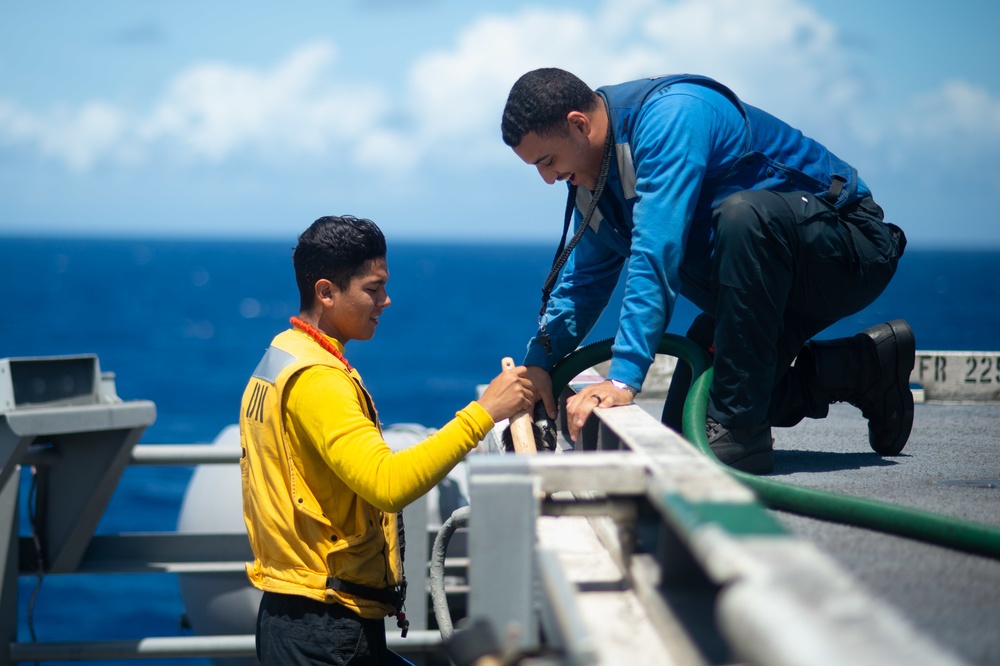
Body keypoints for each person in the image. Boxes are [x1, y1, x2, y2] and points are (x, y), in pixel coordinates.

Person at [501, 68, 914, 474]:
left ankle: (743, 430)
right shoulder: (594, 178)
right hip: (762, 288)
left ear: (579, 124)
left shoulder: (671, 118)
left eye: (549, 161)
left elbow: (655, 253)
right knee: (685, 433)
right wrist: (539, 363)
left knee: (745, 216)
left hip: (848, 249)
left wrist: (623, 379)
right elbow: (582, 283)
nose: (549, 179)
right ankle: (865, 369)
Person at [240, 215, 533, 665]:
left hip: (291, 614)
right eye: (373, 289)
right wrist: (484, 414)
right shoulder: (319, 379)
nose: (386, 300)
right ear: (326, 292)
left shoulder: (282, 353)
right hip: (326, 627)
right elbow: (387, 483)